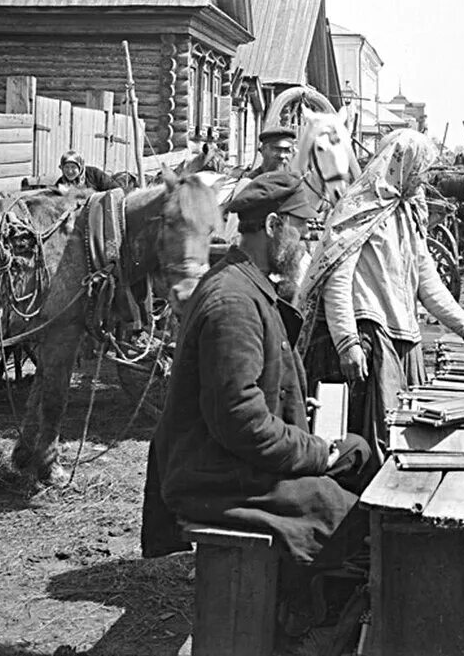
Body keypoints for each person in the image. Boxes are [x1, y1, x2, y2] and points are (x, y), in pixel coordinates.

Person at [142, 173, 372, 570]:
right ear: (272, 226)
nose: (304, 242)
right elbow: (240, 423)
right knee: (353, 518)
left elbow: (247, 392)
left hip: (231, 460)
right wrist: (317, 451)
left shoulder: (247, 286)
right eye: (299, 229)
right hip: (215, 478)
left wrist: (295, 403)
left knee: (361, 455)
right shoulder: (232, 302)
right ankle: (307, 621)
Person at [296, 129, 464, 455]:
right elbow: (337, 281)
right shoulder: (360, 208)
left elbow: (427, 282)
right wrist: (347, 344)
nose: (423, 179)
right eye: (421, 170)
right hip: (368, 339)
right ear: (402, 165)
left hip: (403, 339)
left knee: (405, 434)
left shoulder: (407, 211)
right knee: (370, 437)